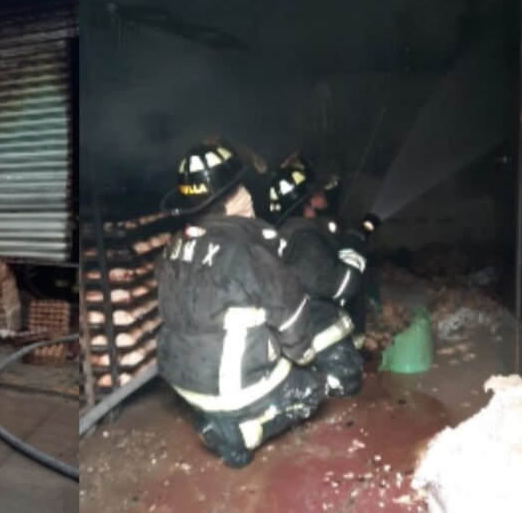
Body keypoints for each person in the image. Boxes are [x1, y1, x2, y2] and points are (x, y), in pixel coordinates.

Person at [156, 140, 326, 469]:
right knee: (313, 388)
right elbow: (289, 315)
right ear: (230, 198)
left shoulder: (174, 246)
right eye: (240, 188)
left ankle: (214, 415)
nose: (248, 194)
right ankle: (242, 433)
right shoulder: (246, 247)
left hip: (180, 381)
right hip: (229, 388)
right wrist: (304, 357)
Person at [265, 153, 377, 397]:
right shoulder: (303, 241)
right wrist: (354, 245)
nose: (321, 194)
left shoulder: (283, 234)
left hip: (292, 336)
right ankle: (316, 381)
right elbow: (345, 285)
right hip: (316, 339)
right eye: (314, 192)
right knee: (348, 381)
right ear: (306, 202)